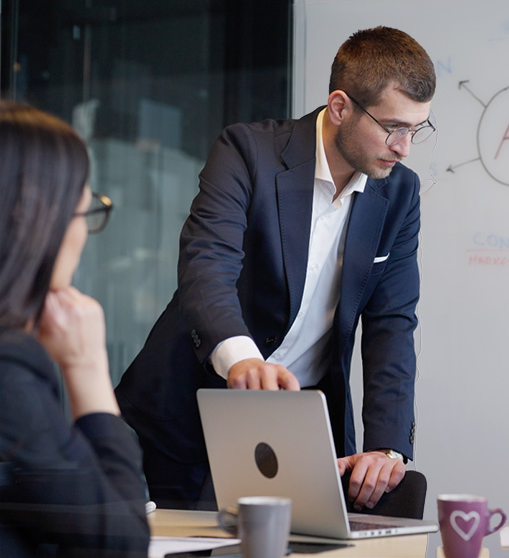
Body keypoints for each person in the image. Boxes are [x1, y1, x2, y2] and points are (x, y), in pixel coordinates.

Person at [115, 26, 436, 512]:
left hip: (298, 429)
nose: (404, 147)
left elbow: (392, 321)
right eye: (393, 127)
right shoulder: (247, 152)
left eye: (417, 129)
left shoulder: (399, 193)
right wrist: (241, 358)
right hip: (189, 413)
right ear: (340, 107)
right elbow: (208, 266)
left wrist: (387, 445)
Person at [0, 102, 149, 557]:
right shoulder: (9, 375)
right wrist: (87, 369)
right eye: (84, 213)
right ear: (32, 218)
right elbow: (120, 544)